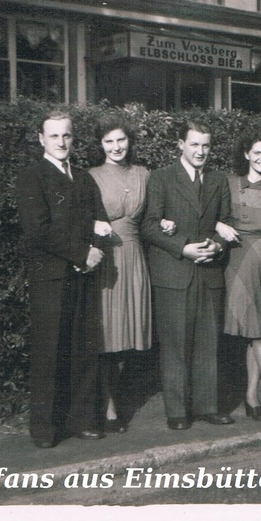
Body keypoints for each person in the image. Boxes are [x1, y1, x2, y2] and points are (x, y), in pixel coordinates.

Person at [15, 110, 109, 448]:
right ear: (41, 139)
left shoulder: (83, 178)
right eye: (54, 136)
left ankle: (82, 421)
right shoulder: (32, 177)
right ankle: (45, 429)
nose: (61, 142)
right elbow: (38, 230)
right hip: (51, 278)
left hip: (83, 275)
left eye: (66, 135)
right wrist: (81, 253)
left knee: (83, 349)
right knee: (49, 352)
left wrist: (94, 251)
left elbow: (100, 218)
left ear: (74, 138)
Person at [142, 120, 234, 430]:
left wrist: (217, 245)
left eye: (206, 145)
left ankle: (207, 406)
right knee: (175, 343)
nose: (200, 151)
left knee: (209, 341)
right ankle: (178, 411)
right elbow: (150, 226)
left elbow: (226, 222)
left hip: (209, 272)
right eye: (194, 144)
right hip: (174, 272)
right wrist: (183, 248)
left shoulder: (219, 180)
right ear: (180, 144)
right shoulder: (161, 178)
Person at [214, 130, 261, 427]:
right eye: (256, 152)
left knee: (257, 329)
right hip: (239, 255)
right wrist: (220, 225)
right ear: (246, 154)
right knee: (257, 331)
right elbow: (212, 214)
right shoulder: (228, 182)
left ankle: (251, 397)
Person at [88, 115, 152, 432]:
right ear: (100, 145)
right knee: (108, 334)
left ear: (130, 142)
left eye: (121, 140)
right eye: (108, 141)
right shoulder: (91, 176)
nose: (116, 147)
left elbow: (154, 218)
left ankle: (117, 394)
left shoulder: (144, 174)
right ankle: (108, 404)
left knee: (131, 334)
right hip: (107, 260)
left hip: (136, 257)